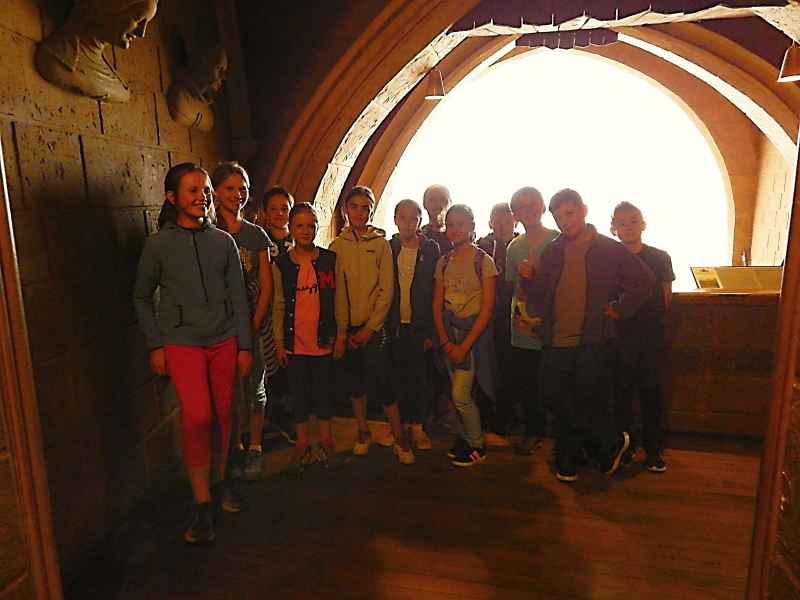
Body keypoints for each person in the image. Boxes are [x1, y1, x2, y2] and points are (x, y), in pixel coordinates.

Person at [133, 163, 252, 545]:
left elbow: (238, 296)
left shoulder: (223, 242)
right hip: (181, 341)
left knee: (224, 413)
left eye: (205, 190)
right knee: (198, 416)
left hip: (224, 339)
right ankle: (201, 502)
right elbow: (141, 295)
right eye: (192, 190)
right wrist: (155, 344)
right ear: (172, 197)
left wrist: (245, 346)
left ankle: (218, 484)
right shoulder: (159, 245)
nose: (202, 196)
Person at [521, 188, 655, 483]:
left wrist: (619, 309)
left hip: (591, 341)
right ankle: (609, 440)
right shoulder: (553, 250)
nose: (565, 221)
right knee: (555, 397)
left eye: (569, 213)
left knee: (581, 401)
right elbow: (540, 293)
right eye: (559, 217)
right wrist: (528, 278)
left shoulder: (608, 248)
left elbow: (645, 280)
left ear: (583, 210)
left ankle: (567, 459)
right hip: (555, 340)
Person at [329, 186, 415, 465]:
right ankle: (363, 432)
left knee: (384, 382)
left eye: (365, 207)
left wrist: (372, 327)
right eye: (354, 206)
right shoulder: (337, 247)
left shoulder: (380, 244)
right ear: (345, 210)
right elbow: (338, 293)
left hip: (374, 328)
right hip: (349, 328)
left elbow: (386, 290)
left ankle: (399, 436)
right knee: (355, 383)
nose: (359, 212)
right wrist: (343, 331)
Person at [212, 162, 272, 482]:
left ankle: (255, 446)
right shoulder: (210, 233)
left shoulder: (255, 234)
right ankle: (234, 445)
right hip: (220, 325)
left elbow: (266, 285)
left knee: (254, 388)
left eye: (243, 189)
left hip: (251, 323)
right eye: (230, 188)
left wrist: (253, 324)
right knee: (227, 391)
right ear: (216, 192)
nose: (237, 195)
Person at [273, 203, 344, 473]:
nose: (306, 231)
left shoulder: (329, 260)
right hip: (295, 342)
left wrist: (341, 334)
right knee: (300, 393)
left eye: (311, 225)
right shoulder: (282, 264)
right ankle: (302, 444)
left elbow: (338, 299)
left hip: (322, 339)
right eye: (300, 225)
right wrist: (279, 343)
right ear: (290, 229)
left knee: (324, 392)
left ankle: (326, 440)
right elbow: (279, 305)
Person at [609, 201, 674, 472]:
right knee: (620, 393)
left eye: (634, 221)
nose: (629, 227)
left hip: (651, 336)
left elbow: (665, 298)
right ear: (613, 229)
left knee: (651, 392)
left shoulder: (659, 257)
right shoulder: (609, 259)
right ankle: (625, 447)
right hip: (619, 336)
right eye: (622, 223)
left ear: (643, 224)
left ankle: (654, 449)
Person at [433, 204, 498, 467]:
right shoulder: (444, 262)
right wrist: (446, 341)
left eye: (461, 224)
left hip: (472, 338)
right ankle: (466, 436)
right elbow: (437, 305)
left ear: (471, 226)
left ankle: (476, 444)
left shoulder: (483, 261)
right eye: (450, 224)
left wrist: (464, 346)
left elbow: (487, 309)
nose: (455, 229)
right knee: (457, 392)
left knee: (461, 395)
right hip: (451, 334)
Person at [505, 188, 559, 455]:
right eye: (522, 207)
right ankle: (533, 432)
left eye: (533, 203)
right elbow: (510, 285)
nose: (529, 210)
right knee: (528, 384)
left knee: (558, 383)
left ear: (543, 206)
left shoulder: (559, 240)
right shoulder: (514, 247)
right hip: (523, 326)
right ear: (515, 215)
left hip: (556, 325)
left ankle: (565, 436)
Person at [388, 199, 441, 450]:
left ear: (420, 221)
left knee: (419, 377)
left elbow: (435, 290)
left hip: (420, 324)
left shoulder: (430, 249)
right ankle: (399, 427)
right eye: (403, 217)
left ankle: (418, 426)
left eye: (413, 218)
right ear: (395, 220)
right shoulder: (389, 247)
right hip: (396, 324)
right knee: (398, 376)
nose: (407, 223)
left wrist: (431, 330)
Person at [35, 0, 159, 102]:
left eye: (147, 23)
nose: (141, 33)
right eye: (138, 20)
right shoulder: (58, 60)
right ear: (109, 9)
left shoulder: (116, 82)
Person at [257, 187, 296, 440]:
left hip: (295, 310)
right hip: (269, 310)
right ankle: (275, 411)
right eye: (274, 209)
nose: (280, 213)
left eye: (284, 208)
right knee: (272, 362)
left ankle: (292, 412)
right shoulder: (260, 240)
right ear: (264, 212)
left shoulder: (298, 238)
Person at [476, 202, 519, 434]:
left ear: (515, 222)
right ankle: (485, 416)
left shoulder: (522, 245)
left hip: (514, 319)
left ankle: (505, 416)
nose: (503, 227)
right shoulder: (481, 248)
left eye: (507, 222)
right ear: (490, 223)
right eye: (498, 222)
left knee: (509, 368)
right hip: (487, 317)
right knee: (486, 367)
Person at [167, 43, 227, 132]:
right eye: (218, 68)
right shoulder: (180, 98)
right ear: (200, 63)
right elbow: (179, 115)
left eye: (224, 70)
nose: (223, 77)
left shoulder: (208, 114)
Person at [420, 184, 453, 254]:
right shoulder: (418, 237)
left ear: (450, 202)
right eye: (432, 200)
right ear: (424, 204)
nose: (437, 204)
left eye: (442, 199)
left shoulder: (459, 235)